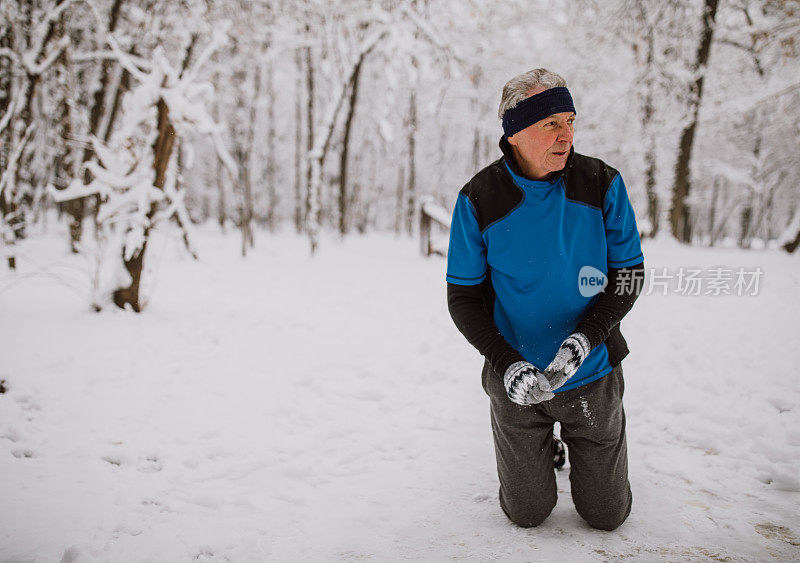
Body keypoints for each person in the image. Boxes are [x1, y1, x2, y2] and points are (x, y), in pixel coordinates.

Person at [446, 68, 645, 531]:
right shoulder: (478, 199)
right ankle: (542, 446)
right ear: (515, 132)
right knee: (527, 514)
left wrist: (587, 338)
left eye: (570, 120)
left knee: (607, 516)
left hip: (591, 370)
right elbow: (463, 298)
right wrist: (506, 362)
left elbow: (630, 275)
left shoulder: (602, 183)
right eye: (550, 124)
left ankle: (593, 451)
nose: (566, 134)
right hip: (516, 377)